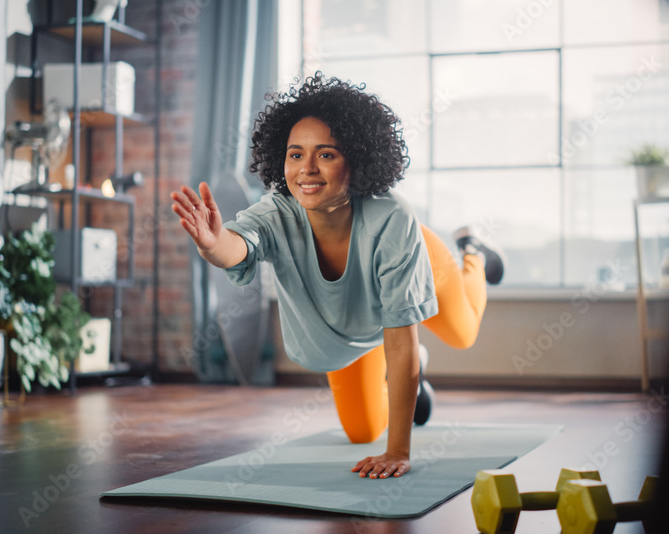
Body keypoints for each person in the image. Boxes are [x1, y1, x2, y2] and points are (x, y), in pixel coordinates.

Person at [170, 73, 503, 481]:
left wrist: (398, 450)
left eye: (326, 154)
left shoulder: (392, 219)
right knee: (362, 432)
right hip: (356, 328)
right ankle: (413, 386)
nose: (306, 169)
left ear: (358, 160)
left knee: (463, 332)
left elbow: (401, 342)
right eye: (295, 154)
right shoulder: (277, 212)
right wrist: (213, 241)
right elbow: (239, 244)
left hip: (422, 258)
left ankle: (473, 254)